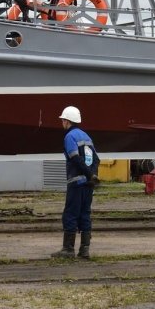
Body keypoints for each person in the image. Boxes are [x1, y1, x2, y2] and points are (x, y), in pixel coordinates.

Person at [52, 105, 98, 259]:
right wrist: (92, 176)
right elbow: (96, 159)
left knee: (70, 214)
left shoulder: (69, 137)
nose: (62, 123)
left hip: (76, 183)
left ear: (67, 121)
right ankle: (84, 250)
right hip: (88, 184)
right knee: (85, 214)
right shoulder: (86, 136)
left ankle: (68, 250)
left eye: (63, 120)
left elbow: (75, 158)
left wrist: (87, 174)